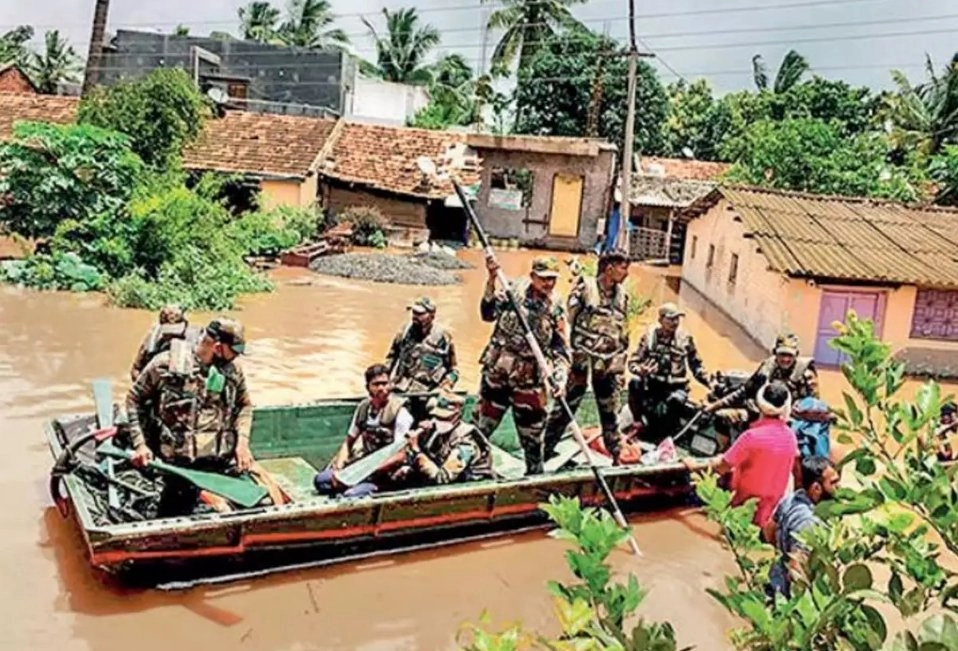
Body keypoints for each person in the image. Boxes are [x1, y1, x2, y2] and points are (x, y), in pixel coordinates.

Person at [126, 317, 255, 517]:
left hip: (219, 461)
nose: (236, 358)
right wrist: (140, 444)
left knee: (251, 504)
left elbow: (245, 405)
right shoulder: (165, 365)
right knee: (172, 519)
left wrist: (243, 444)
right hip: (180, 466)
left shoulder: (233, 370)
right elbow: (134, 400)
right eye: (234, 351)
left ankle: (211, 497)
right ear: (218, 347)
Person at [473, 254, 571, 475]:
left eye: (553, 279)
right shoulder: (512, 291)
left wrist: (560, 377)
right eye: (544, 278)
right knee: (480, 432)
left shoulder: (555, 306)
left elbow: (561, 349)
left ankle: (534, 483)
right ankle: (471, 474)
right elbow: (487, 314)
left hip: (529, 385)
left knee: (533, 442)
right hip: (497, 378)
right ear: (532, 276)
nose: (549, 283)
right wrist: (490, 279)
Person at [543, 249, 631, 462]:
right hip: (580, 361)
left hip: (607, 364)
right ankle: (544, 450)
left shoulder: (622, 297)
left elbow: (624, 334)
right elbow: (566, 322)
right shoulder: (585, 289)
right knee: (565, 406)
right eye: (623, 268)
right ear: (609, 268)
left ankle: (616, 455)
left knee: (610, 411)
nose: (626, 273)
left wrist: (621, 368)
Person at [684, 381, 799, 528]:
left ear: (759, 405)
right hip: (772, 515)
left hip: (743, 512)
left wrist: (694, 465)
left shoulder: (750, 437)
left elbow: (721, 467)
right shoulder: (791, 437)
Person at [313, 364, 414, 498]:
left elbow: (401, 456)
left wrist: (365, 472)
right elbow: (348, 443)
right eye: (376, 384)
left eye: (385, 383)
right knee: (320, 480)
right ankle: (351, 484)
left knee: (350, 495)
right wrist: (338, 469)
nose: (382, 388)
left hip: (385, 473)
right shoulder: (363, 409)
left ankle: (357, 488)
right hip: (363, 465)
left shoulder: (400, 413)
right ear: (368, 388)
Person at [627, 302, 710, 441]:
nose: (675, 322)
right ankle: (638, 422)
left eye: (677, 318)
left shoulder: (685, 339)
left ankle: (666, 434)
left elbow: (696, 366)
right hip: (653, 385)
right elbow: (632, 363)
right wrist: (641, 370)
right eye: (670, 319)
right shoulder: (648, 339)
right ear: (660, 320)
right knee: (634, 383)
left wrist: (710, 383)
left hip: (676, 388)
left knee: (675, 401)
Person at [763, 455, 840, 599]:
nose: (839, 487)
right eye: (833, 483)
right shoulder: (809, 522)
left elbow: (768, 530)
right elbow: (796, 570)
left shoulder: (791, 499)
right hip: (786, 596)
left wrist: (784, 550)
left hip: (775, 579)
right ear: (816, 488)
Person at [706, 333, 818, 425]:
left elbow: (814, 406)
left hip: (789, 422)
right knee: (722, 417)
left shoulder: (806, 374)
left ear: (796, 355)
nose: (785, 359)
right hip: (760, 414)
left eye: (789, 355)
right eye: (782, 354)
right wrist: (715, 406)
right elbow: (744, 391)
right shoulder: (767, 368)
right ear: (775, 353)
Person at [392, 391, 494, 486]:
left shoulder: (466, 442)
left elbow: (442, 478)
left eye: (445, 418)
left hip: (471, 488)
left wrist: (416, 451)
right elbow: (432, 458)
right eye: (437, 417)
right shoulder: (438, 432)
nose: (440, 421)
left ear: (457, 416)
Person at [384, 296, 459, 420]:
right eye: (414, 313)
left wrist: (446, 385)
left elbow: (454, 370)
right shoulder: (404, 333)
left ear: (431, 315)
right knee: (389, 412)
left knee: (435, 407)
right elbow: (391, 358)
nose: (415, 317)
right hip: (402, 389)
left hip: (429, 392)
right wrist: (385, 382)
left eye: (420, 314)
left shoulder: (443, 338)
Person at [129, 304, 200, 381]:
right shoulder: (151, 341)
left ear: (185, 325)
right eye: (168, 333)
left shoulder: (195, 339)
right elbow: (135, 370)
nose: (172, 337)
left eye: (177, 332)